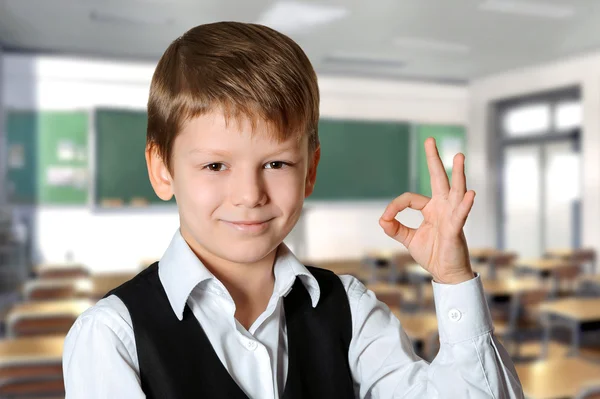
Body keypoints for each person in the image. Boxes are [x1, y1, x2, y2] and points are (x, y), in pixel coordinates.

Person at [62, 21, 524, 398]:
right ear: (162, 170)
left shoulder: (350, 308)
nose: (249, 193)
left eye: (277, 163)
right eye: (215, 164)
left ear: (309, 171)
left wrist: (452, 276)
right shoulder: (113, 337)